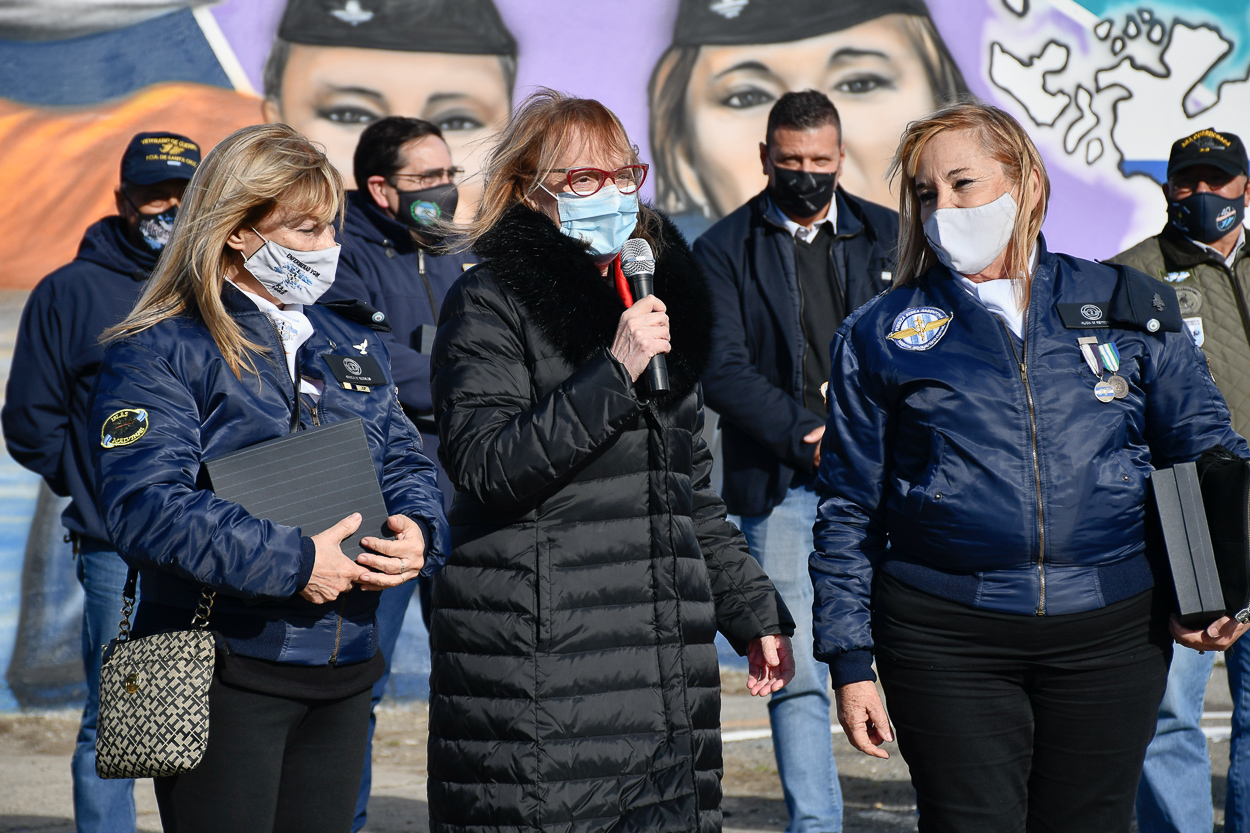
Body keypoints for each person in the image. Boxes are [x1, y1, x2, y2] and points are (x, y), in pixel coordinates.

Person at [811, 102, 1250, 832]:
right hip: (944, 635)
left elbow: (1199, 448)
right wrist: (850, 658)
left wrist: (1215, 589)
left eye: (963, 185)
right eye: (926, 194)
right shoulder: (880, 331)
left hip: (1111, 633)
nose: (943, 208)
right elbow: (849, 505)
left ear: (1028, 186)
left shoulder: (1125, 301)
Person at [427, 89, 796, 832]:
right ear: (528, 191)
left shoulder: (654, 304)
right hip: (546, 673)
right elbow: (487, 464)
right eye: (583, 180)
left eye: (625, 174)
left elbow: (688, 495)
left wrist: (752, 611)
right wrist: (612, 371)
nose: (614, 194)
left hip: (664, 680)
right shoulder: (490, 301)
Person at [88, 123, 447, 833]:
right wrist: (294, 561)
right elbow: (145, 506)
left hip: (346, 668)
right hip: (228, 668)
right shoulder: (161, 345)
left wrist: (418, 530)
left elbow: (404, 458)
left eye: (330, 227)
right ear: (237, 231)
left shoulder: (347, 339)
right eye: (305, 228)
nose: (325, 246)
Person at [694, 89, 898, 833]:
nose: (807, 175)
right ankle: (818, 823)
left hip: (888, 477)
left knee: (919, 652)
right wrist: (811, 436)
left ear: (841, 158)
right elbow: (721, 367)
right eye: (791, 163)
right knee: (798, 668)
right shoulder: (721, 249)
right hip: (782, 486)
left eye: (819, 161)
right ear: (764, 160)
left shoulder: (891, 236)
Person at [2, 130, 200, 833]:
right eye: (155, 193)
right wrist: (97, 488)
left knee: (203, 715)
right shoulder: (70, 291)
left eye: (185, 193)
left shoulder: (209, 282)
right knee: (116, 716)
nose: (170, 207)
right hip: (120, 550)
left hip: (219, 545)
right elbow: (30, 420)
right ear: (123, 198)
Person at [319, 114, 474, 833]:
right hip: (377, 507)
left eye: (449, 176)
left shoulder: (457, 252)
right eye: (427, 180)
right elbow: (367, 363)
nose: (444, 191)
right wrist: (470, 379)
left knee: (473, 682)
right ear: (380, 187)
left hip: (463, 496)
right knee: (360, 684)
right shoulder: (338, 252)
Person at [1108, 127, 1250, 833]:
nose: (1202, 193)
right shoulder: (1127, 276)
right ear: (1167, 188)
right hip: (1186, 504)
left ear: (1245, 187)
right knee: (1170, 705)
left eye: (1216, 179)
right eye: (1187, 180)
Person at [648, 0, 966, 241]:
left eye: (860, 83)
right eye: (746, 97)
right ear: (681, 149)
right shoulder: (698, 273)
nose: (808, 135)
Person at [261, 0, 516, 221]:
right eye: (350, 115)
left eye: (458, 121)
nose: (410, 147)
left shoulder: (493, 269)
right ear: (278, 129)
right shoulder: (332, 266)